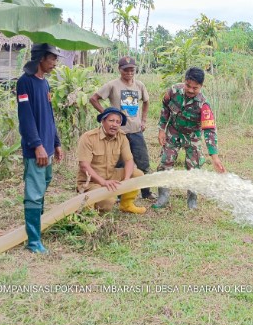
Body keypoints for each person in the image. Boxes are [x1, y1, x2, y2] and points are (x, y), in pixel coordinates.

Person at [153, 67, 226, 210]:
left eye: (195, 88)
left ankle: (192, 200)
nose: (191, 90)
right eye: (188, 86)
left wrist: (215, 157)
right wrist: (161, 129)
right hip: (173, 132)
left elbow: (209, 131)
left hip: (192, 136)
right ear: (184, 81)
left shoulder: (203, 104)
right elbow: (165, 109)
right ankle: (163, 196)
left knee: (194, 168)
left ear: (201, 86)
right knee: (165, 162)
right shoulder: (173, 91)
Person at [17, 43, 64, 254]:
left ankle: (37, 232)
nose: (55, 62)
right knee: (34, 192)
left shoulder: (45, 84)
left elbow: (49, 116)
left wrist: (56, 142)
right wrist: (37, 146)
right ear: (41, 59)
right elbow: (26, 117)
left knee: (43, 187)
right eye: (52, 58)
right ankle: (33, 241)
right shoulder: (25, 83)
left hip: (48, 147)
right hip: (36, 149)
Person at [89, 56, 154, 200]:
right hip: (118, 132)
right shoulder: (113, 85)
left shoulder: (139, 85)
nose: (129, 73)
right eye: (126, 70)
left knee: (143, 162)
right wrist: (107, 115)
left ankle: (146, 192)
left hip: (136, 130)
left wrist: (143, 120)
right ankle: (118, 194)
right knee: (118, 163)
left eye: (132, 69)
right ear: (120, 70)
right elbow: (93, 99)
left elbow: (147, 102)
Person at [76, 107, 147, 214]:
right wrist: (103, 182)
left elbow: (129, 160)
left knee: (137, 174)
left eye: (118, 122)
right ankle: (86, 205)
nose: (114, 124)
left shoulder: (121, 136)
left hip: (110, 175)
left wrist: (127, 179)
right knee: (108, 203)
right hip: (91, 181)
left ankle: (126, 205)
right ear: (103, 121)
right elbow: (84, 166)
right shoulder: (88, 138)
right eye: (111, 121)